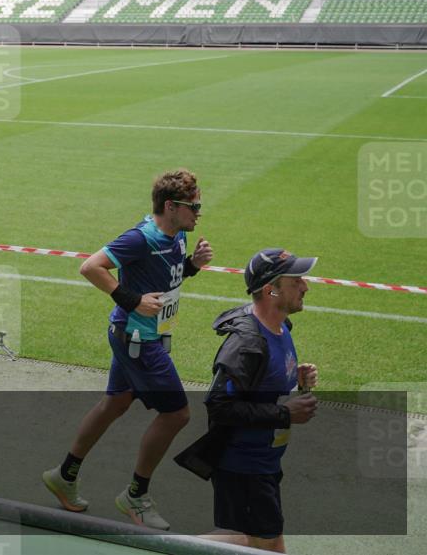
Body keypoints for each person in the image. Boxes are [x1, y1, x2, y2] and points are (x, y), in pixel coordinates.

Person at [42, 168, 213, 530]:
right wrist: (132, 300)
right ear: (170, 206)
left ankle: (64, 475)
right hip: (138, 340)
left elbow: (165, 274)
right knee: (177, 414)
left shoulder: (177, 235)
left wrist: (192, 266)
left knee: (116, 402)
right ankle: (136, 495)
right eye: (193, 206)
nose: (199, 213)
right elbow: (90, 267)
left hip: (132, 335)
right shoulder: (140, 238)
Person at [177, 248, 319, 553]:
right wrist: (284, 414)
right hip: (243, 467)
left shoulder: (280, 326)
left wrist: (297, 381)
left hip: (265, 462)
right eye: (296, 281)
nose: (305, 286)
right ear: (271, 290)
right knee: (260, 542)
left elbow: (263, 384)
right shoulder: (246, 344)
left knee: (266, 542)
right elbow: (219, 405)